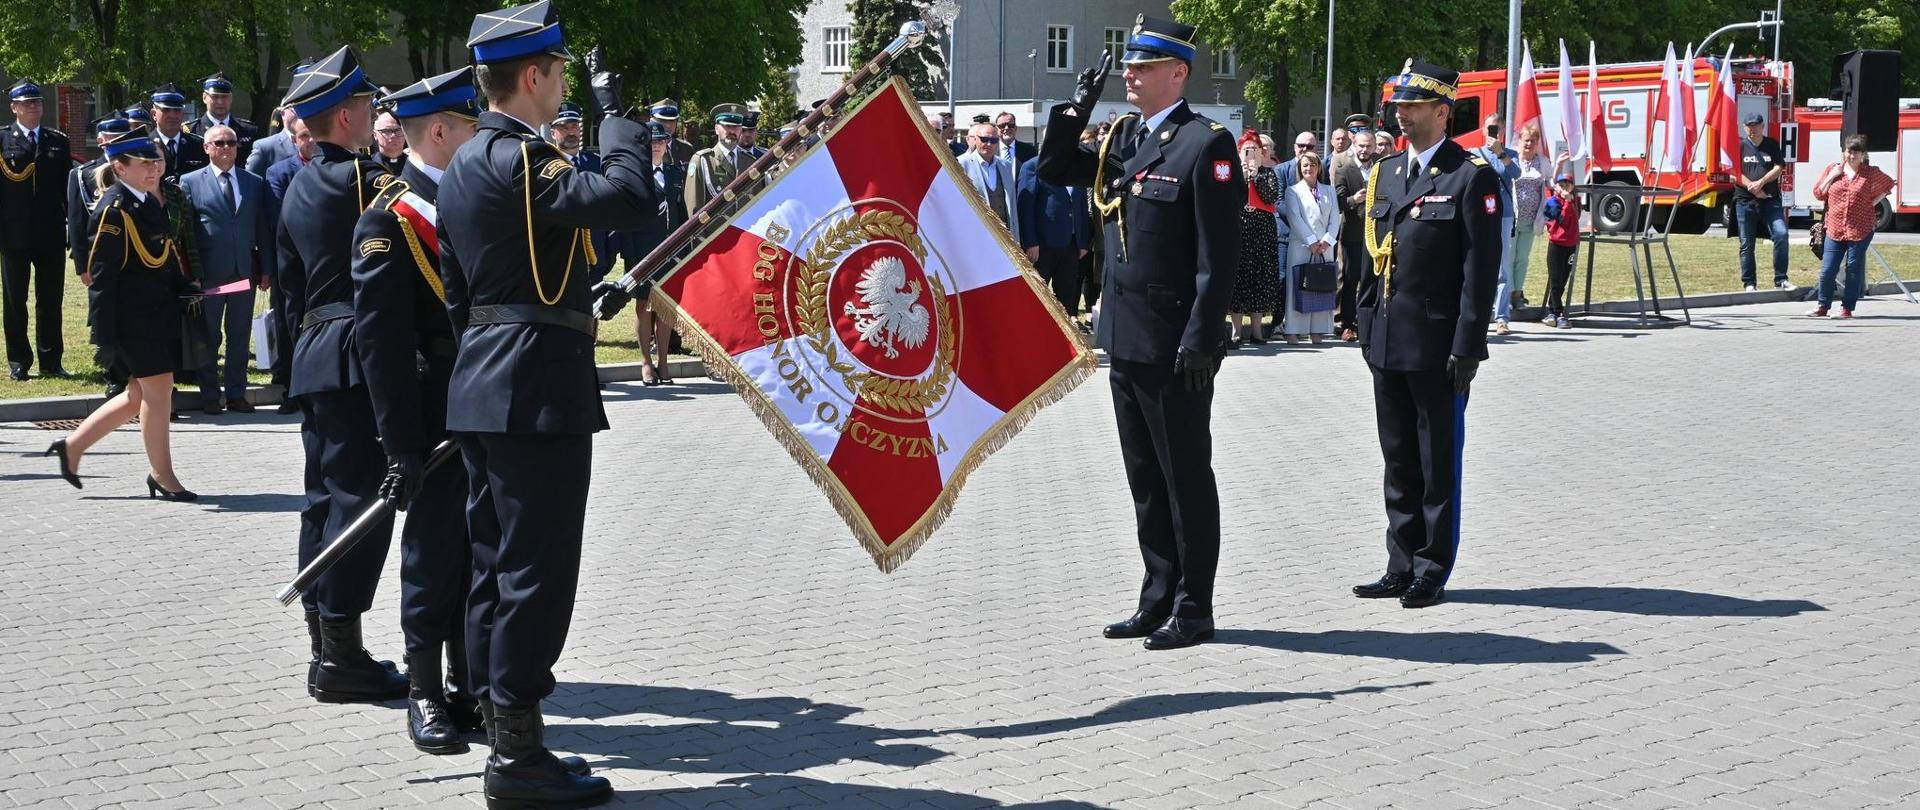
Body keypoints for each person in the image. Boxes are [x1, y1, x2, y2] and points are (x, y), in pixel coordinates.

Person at [439, 5, 661, 803]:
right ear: (532, 76)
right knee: (535, 574)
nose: (567, 85)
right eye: (563, 74)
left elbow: (465, 288)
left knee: (497, 567)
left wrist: (566, 303)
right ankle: (516, 762)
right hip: (533, 390)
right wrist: (619, 113)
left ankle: (510, 740)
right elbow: (630, 195)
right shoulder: (521, 159)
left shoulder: (466, 159)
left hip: (486, 380)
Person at [1038, 14, 1239, 650]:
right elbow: (1054, 168)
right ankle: (1156, 596)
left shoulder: (1205, 144)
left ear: (1177, 73)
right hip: (1124, 337)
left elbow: (1219, 257)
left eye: (1144, 65)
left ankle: (1193, 606)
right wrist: (1077, 105)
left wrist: (1203, 338)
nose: (1130, 72)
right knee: (1144, 477)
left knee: (1184, 476)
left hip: (1176, 342)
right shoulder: (1127, 139)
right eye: (1129, 64)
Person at [348, 66, 485, 755]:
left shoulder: (479, 202)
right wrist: (400, 445)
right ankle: (424, 691)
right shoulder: (389, 218)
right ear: (439, 132)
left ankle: (470, 687)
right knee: (433, 555)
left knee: (478, 550)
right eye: (471, 126)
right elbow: (381, 342)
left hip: (487, 403)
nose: (482, 135)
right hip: (432, 412)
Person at [276, 45, 412, 707]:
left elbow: (290, 284)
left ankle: (324, 646)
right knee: (361, 506)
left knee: (324, 502)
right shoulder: (365, 180)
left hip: (314, 351)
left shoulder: (298, 179)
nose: (373, 113)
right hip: (359, 350)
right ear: (343, 114)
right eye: (364, 105)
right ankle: (342, 655)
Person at [1352, 59, 1503, 609]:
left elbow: (1480, 268)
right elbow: (1370, 259)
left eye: (1413, 107)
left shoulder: (1471, 176)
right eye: (1399, 106)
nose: (1402, 114)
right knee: (1397, 458)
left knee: (1437, 460)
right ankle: (1400, 561)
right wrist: (1365, 324)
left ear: (1443, 112)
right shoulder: (1386, 174)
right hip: (1388, 340)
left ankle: (1431, 567)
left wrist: (1468, 344)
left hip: (1439, 344)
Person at [47, 129, 199, 499]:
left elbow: (160, 258)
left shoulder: (146, 201)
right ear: (120, 167)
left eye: (155, 162)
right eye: (144, 164)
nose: (153, 170)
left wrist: (183, 286)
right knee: (159, 392)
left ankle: (72, 448)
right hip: (132, 322)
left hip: (154, 314)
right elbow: (102, 280)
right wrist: (103, 337)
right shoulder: (114, 210)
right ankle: (162, 476)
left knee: (138, 395)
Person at [179, 124, 273, 414]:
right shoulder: (190, 181)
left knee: (239, 334)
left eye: (231, 142)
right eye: (218, 143)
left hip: (243, 271)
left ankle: (236, 394)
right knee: (209, 335)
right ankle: (210, 395)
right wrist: (190, 273)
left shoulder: (253, 182)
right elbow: (186, 232)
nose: (226, 147)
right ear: (206, 148)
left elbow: (262, 227)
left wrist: (266, 268)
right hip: (209, 273)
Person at [2, 80, 74, 381]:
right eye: (28, 102)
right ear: (14, 107)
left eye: (38, 102)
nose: (35, 107)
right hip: (13, 234)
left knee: (50, 299)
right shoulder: (4, 140)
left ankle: (51, 359)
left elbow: (66, 189)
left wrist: (73, 227)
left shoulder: (57, 140)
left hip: (50, 233)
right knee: (15, 300)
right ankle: (19, 361)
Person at [620, 119, 687, 386]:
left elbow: (681, 214)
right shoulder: (635, 174)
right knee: (644, 307)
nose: (657, 146)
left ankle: (663, 361)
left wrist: (684, 249)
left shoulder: (674, 173)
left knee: (666, 309)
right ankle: (646, 362)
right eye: (652, 142)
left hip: (670, 251)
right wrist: (629, 253)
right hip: (642, 251)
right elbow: (625, 217)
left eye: (661, 141)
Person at [1808, 134, 1895, 318]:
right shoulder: (1834, 169)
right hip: (1834, 226)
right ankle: (1822, 305)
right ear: (1844, 152)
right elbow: (1818, 193)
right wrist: (1831, 176)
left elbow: (1889, 184)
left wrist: (1873, 202)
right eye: (1849, 151)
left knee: (1853, 268)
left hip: (1861, 227)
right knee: (1828, 268)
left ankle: (1847, 308)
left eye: (1856, 152)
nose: (1852, 156)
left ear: (1863, 154)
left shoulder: (1870, 173)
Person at [1016, 144, 1091, 317]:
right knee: (1038, 296)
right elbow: (1025, 207)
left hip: (1071, 244)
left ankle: (1066, 338)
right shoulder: (1033, 166)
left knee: (1067, 294)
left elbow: (1080, 205)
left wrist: (1083, 241)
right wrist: (1030, 242)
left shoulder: (1075, 167)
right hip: (1043, 244)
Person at [548, 102, 617, 281]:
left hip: (595, 252)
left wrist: (611, 247)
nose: (571, 131)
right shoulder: (545, 166)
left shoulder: (597, 163)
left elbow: (609, 208)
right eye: (563, 127)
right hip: (559, 257)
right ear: (552, 132)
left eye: (574, 126)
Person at [1502, 125, 1564, 321]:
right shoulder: (1511, 159)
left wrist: (1560, 168)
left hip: (1532, 220)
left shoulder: (1542, 162)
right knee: (1508, 259)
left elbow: (1551, 184)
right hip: (1511, 219)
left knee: (1522, 258)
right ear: (1519, 141)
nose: (1529, 144)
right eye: (1526, 140)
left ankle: (1517, 294)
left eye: (1533, 141)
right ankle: (1506, 295)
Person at [1280, 149, 1339, 343]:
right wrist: (1311, 241)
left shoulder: (1329, 190)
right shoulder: (1293, 191)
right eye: (1305, 165)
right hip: (1302, 245)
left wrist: (1327, 240)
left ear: (1319, 167)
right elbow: (1295, 218)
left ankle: (1318, 330)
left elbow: (1335, 218)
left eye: (1312, 165)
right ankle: (1293, 330)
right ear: (1299, 168)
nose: (1308, 168)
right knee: (1299, 286)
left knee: (1321, 286)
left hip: (1325, 246)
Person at [1227, 129, 1280, 343]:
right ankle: (1237, 331)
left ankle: (1257, 331)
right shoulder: (1231, 174)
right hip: (1239, 229)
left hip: (1262, 231)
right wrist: (1243, 175)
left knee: (1259, 279)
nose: (1251, 153)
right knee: (1238, 279)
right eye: (1247, 150)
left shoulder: (1268, 174)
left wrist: (1256, 174)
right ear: (1239, 152)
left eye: (1255, 150)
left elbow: (1270, 197)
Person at [1734, 112, 1794, 293]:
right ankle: (1749, 283)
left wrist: (1761, 183)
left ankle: (1781, 279)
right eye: (1749, 126)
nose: (1753, 129)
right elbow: (1733, 172)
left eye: (1756, 125)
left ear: (1762, 126)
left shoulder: (1772, 145)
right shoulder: (1739, 146)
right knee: (1746, 244)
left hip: (1770, 200)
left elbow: (1779, 167)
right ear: (1744, 128)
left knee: (1781, 235)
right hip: (1745, 201)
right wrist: (1752, 188)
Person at [1473, 113, 1519, 335]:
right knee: (1477, 265)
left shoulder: (1510, 154)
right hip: (1479, 215)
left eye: (1497, 128)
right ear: (1484, 129)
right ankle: (1480, 313)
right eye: (1490, 128)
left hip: (1503, 215)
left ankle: (1502, 317)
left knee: (1502, 268)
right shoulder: (1473, 154)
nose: (1493, 132)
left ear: (1502, 132)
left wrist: (1501, 153)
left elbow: (1516, 173)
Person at [1332, 126, 1375, 341]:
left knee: (1373, 280)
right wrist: (1354, 200)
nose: (1364, 150)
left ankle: (1370, 324)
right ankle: (1348, 325)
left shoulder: (1382, 167)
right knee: (1350, 281)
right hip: (1353, 234)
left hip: (1377, 235)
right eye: (1361, 145)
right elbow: (1338, 202)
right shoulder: (1344, 169)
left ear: (1374, 147)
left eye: (1368, 146)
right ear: (1354, 146)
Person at [684, 103, 750, 213]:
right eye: (727, 126)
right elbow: (694, 210)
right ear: (716, 129)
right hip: (716, 230)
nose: (732, 131)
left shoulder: (750, 161)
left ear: (741, 130)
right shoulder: (702, 161)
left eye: (736, 126)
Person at [958, 122, 1019, 241]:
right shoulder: (961, 164)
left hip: (1005, 237)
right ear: (975, 139)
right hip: (975, 237)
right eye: (984, 139)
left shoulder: (1005, 166)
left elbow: (1012, 205)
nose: (989, 144)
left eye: (994, 140)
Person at [186, 73, 259, 166]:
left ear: (231, 98)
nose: (220, 102)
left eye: (224, 97)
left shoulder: (249, 130)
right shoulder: (191, 131)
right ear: (204, 97)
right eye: (215, 97)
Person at [1540, 172, 1581, 328]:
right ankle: (1558, 312)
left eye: (1567, 184)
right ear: (1556, 187)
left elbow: (1575, 220)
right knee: (1556, 278)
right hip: (1557, 244)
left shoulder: (1574, 201)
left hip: (1571, 244)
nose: (1564, 187)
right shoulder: (1553, 202)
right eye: (1561, 184)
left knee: (1564, 278)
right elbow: (1562, 220)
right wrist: (1567, 202)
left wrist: (1570, 202)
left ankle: (1552, 311)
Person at [148, 83, 209, 183]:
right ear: (154, 114)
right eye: (166, 110)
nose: (172, 115)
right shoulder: (144, 146)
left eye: (177, 110)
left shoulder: (198, 145)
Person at [648, 98, 695, 165]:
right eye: (663, 120)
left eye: (672, 120)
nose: (668, 125)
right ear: (652, 120)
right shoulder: (643, 148)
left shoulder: (686, 149)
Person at [371, 109, 408, 175]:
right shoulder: (369, 166)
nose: (393, 135)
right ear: (375, 135)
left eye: (398, 130)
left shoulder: (415, 164)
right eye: (386, 131)